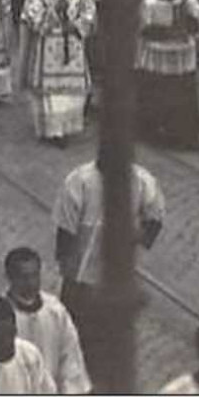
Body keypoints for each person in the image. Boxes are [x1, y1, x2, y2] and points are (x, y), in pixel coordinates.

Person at [53, 154, 165, 375]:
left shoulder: (142, 181)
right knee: (74, 341)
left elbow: (155, 218)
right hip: (82, 280)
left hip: (116, 281)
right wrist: (67, 270)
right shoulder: (79, 181)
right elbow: (65, 231)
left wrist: (135, 236)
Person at [21, 0, 96, 146]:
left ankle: (68, 128)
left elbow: (89, 12)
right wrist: (54, 12)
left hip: (72, 46)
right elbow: (32, 19)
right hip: (48, 47)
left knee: (71, 93)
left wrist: (77, 25)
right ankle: (53, 130)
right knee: (51, 94)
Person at [136, 0, 199, 150]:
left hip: (182, 55)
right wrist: (165, 32)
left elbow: (198, 22)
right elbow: (144, 29)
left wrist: (188, 19)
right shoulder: (150, 2)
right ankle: (156, 132)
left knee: (183, 94)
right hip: (159, 54)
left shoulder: (188, 0)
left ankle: (185, 134)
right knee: (158, 92)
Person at [4, 246, 91, 394]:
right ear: (10, 277)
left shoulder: (55, 311)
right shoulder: (0, 314)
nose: (31, 283)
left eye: (35, 276)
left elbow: (70, 357)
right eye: (24, 277)